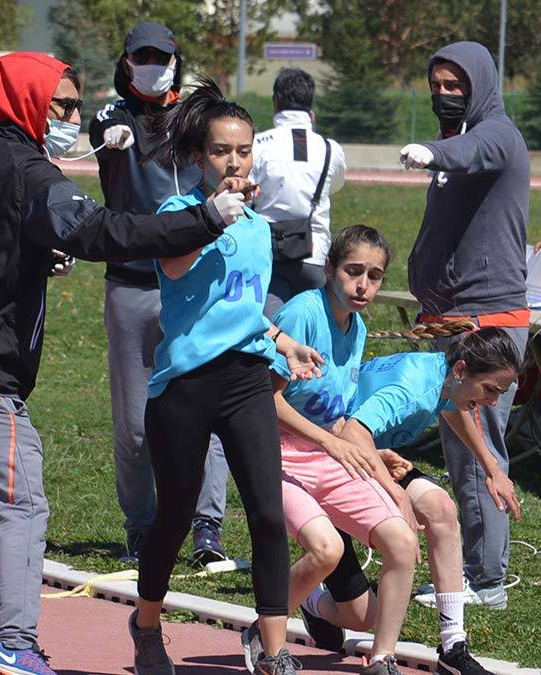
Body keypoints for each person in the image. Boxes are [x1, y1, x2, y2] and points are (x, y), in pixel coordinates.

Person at [0, 52, 233, 675]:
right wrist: (202, 221)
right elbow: (101, 232)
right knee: (23, 504)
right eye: (62, 106)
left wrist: (37, 256)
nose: (73, 117)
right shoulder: (31, 173)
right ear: (30, 105)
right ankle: (15, 643)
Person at [125, 79, 320, 675]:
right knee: (176, 515)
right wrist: (213, 217)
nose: (232, 162)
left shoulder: (258, 228)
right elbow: (174, 265)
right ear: (196, 157)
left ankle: (274, 648)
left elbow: (242, 308)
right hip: (184, 386)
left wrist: (281, 337)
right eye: (219, 152)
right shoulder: (177, 215)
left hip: (245, 381)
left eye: (240, 151)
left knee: (265, 512)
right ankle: (146, 622)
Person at [87, 20, 230, 568]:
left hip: (193, 284)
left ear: (175, 59)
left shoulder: (193, 117)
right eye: (141, 55)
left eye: (161, 55)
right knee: (134, 426)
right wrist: (111, 140)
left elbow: (224, 143)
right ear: (125, 61)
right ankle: (142, 525)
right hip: (132, 285)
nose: (151, 63)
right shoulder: (112, 118)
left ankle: (206, 526)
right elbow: (99, 126)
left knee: (207, 409)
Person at [298, 329, 523, 675]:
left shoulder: (446, 377)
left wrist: (492, 468)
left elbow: (454, 408)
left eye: (501, 392)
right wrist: (395, 491)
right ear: (462, 370)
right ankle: (313, 602)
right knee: (362, 617)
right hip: (330, 467)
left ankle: (453, 645)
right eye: (491, 390)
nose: (493, 401)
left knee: (442, 509)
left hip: (370, 460)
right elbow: (352, 433)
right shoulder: (413, 389)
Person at [397, 40, 529, 610]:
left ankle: (486, 580)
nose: (445, 95)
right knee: (459, 446)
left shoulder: (497, 134)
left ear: (479, 85)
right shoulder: (459, 140)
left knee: (478, 451)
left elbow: (473, 151)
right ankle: (474, 569)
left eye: (456, 87)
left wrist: (432, 153)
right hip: (453, 316)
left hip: (487, 318)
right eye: (437, 86)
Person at [256, 225, 417, 675]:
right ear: (329, 269)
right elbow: (263, 401)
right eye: (353, 272)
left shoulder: (358, 326)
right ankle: (266, 630)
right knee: (325, 551)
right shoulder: (303, 314)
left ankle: (382, 658)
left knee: (402, 542)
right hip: (278, 454)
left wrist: (374, 458)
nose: (364, 285)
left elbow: (338, 414)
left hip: (327, 453)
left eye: (375, 275)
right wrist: (329, 440)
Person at [251, 67, 348, 317]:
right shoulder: (330, 148)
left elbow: (248, 194)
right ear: (310, 104)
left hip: (268, 254)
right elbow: (336, 185)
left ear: (275, 102)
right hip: (314, 253)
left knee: (273, 335)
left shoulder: (257, 144)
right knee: (312, 335)